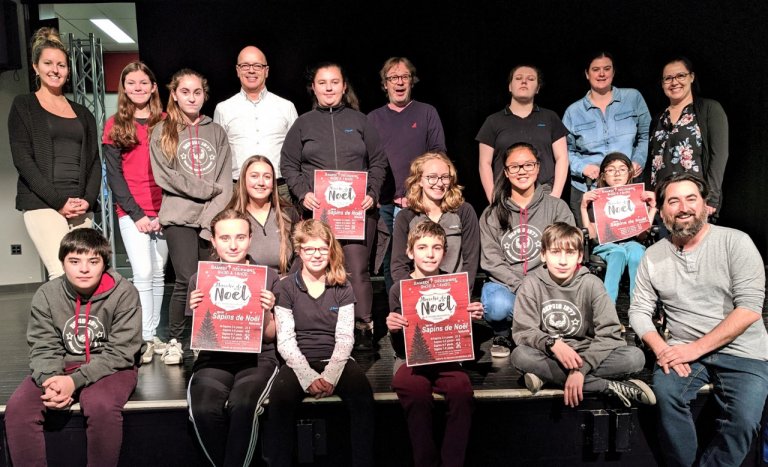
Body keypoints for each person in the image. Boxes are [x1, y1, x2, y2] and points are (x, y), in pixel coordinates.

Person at [628, 173, 767, 467]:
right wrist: (660, 347)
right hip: (682, 350)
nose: (683, 207)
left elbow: (749, 310)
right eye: (673, 201)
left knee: (743, 421)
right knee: (666, 396)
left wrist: (695, 349)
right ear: (662, 210)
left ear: (705, 205)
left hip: (743, 351)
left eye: (691, 199)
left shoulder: (736, 242)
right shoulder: (652, 256)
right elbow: (639, 310)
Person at [4, 228, 142, 467]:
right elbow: (43, 344)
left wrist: (75, 382)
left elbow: (122, 351)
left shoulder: (124, 293)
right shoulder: (47, 294)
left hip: (111, 367)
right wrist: (52, 379)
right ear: (62, 262)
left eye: (93, 261)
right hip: (62, 367)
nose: (84, 269)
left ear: (104, 263)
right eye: (75, 261)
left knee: (101, 405)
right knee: (18, 410)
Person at [280, 61, 388, 350]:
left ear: (344, 86)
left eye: (334, 82)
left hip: (357, 211)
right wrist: (303, 193)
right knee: (310, 268)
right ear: (313, 88)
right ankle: (307, 328)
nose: (329, 87)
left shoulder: (361, 121)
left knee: (356, 269)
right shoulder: (303, 123)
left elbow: (378, 161)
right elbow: (288, 165)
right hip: (317, 213)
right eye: (322, 82)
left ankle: (363, 327)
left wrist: (373, 193)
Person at [263, 219, 375, 467]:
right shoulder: (286, 287)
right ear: (300, 251)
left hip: (337, 359)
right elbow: (286, 340)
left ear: (331, 249)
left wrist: (330, 375)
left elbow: (346, 338)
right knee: (280, 400)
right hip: (297, 361)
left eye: (322, 248)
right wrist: (308, 377)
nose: (316, 255)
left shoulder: (343, 285)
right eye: (309, 249)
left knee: (363, 398)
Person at [511, 222, 655, 408]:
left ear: (579, 256)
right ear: (543, 255)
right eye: (555, 252)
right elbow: (523, 331)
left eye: (570, 253)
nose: (563, 261)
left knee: (635, 358)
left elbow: (609, 334)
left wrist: (581, 369)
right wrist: (552, 343)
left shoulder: (592, 283)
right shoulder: (531, 284)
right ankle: (606, 386)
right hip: (549, 354)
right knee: (520, 355)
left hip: (587, 354)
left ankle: (547, 377)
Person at [150, 68, 233, 364]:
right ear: (174, 94)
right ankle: (177, 339)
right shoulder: (162, 131)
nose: (191, 97)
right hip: (178, 218)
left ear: (204, 95)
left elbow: (225, 185)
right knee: (186, 278)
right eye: (185, 91)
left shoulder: (216, 131)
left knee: (209, 280)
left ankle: (205, 338)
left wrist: (209, 218)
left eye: (197, 92)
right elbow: (166, 177)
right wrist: (205, 189)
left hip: (210, 219)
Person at [186, 209, 279, 467]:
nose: (233, 244)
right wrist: (196, 311)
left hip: (258, 358)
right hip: (214, 358)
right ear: (213, 241)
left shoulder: (268, 276)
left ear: (250, 239)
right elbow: (198, 335)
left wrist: (268, 311)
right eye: (225, 238)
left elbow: (271, 336)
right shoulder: (200, 279)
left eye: (240, 237)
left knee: (244, 405)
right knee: (202, 410)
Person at [386, 220, 483, 467]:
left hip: (446, 357)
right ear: (410, 252)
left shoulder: (454, 283)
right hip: (410, 359)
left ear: (445, 252)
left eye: (437, 248)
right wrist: (394, 329)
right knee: (413, 389)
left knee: (461, 389)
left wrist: (471, 318)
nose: (430, 254)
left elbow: (458, 334)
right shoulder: (399, 289)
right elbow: (400, 349)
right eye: (422, 247)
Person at [8, 27, 101, 280]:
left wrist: (88, 200)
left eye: (61, 64)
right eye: (48, 63)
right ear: (35, 67)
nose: (55, 69)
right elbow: (22, 160)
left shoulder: (84, 113)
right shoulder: (24, 105)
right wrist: (59, 201)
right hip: (43, 203)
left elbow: (94, 162)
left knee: (86, 276)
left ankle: (81, 321)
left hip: (80, 206)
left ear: (68, 70)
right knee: (62, 273)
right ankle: (61, 322)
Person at [479, 142, 574, 358]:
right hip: (507, 286)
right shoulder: (492, 213)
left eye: (528, 165)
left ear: (538, 167)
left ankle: (533, 334)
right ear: (506, 171)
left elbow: (566, 250)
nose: (522, 171)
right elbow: (491, 260)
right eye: (515, 166)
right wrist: (519, 285)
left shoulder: (556, 207)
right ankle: (503, 333)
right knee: (497, 306)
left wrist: (539, 285)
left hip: (546, 286)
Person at [103, 61, 168, 364]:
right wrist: (138, 214)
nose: (138, 88)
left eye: (144, 82)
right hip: (132, 211)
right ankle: (142, 337)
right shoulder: (115, 124)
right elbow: (114, 176)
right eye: (131, 83)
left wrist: (162, 212)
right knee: (142, 272)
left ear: (153, 87)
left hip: (164, 209)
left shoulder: (167, 121)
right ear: (124, 88)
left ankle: (153, 334)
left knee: (158, 273)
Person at [367, 56, 447, 293]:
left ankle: (429, 313)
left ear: (412, 81)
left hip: (421, 203)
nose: (399, 82)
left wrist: (422, 194)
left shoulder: (427, 113)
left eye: (404, 77)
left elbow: (439, 155)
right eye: (393, 78)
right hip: (385, 204)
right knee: (393, 262)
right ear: (385, 84)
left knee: (426, 257)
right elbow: (367, 161)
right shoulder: (373, 118)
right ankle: (400, 313)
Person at [563, 51, 651, 225]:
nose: (601, 74)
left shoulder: (632, 98)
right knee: (593, 244)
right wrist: (582, 167)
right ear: (587, 74)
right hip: (588, 188)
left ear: (613, 72)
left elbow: (645, 135)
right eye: (596, 69)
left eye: (606, 68)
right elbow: (565, 150)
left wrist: (638, 160)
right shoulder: (574, 111)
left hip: (628, 186)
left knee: (631, 239)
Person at [646, 56, 729, 223]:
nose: (674, 82)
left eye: (680, 76)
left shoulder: (709, 109)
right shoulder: (658, 119)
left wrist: (711, 197)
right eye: (668, 78)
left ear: (691, 77)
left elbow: (718, 155)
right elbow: (653, 163)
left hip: (696, 203)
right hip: (664, 205)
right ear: (662, 84)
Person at [213, 45, 298, 198]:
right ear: (238, 70)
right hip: (237, 189)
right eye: (245, 66)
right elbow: (218, 154)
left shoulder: (286, 107)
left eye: (257, 66)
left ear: (266, 71)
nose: (251, 70)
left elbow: (297, 152)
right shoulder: (223, 109)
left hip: (279, 189)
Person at [476, 64, 569, 203]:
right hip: (505, 195)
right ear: (510, 86)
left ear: (537, 88)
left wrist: (555, 196)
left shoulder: (550, 118)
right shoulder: (493, 122)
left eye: (531, 79)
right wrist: (493, 199)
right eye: (518, 78)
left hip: (544, 194)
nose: (524, 82)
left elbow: (562, 158)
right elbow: (484, 163)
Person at [390, 152, 480, 292]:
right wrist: (413, 295)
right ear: (419, 180)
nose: (439, 183)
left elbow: (471, 260)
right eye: (431, 177)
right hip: (418, 293)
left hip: (455, 292)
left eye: (444, 177)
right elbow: (399, 266)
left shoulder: (464, 211)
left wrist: (460, 293)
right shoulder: (406, 217)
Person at [579, 152, 657, 303]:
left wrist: (652, 208)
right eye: (610, 169)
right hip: (605, 245)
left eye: (622, 169)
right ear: (603, 175)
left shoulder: (638, 199)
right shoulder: (596, 200)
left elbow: (642, 236)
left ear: (629, 174)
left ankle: (638, 305)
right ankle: (608, 307)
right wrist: (583, 207)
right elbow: (593, 235)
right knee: (618, 252)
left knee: (636, 251)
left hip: (632, 241)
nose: (616, 174)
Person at [227, 155, 300, 276]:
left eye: (267, 177)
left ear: (274, 183)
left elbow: (300, 254)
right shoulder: (230, 217)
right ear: (243, 180)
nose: (261, 182)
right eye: (254, 176)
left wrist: (288, 281)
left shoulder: (288, 213)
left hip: (281, 288)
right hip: (244, 286)